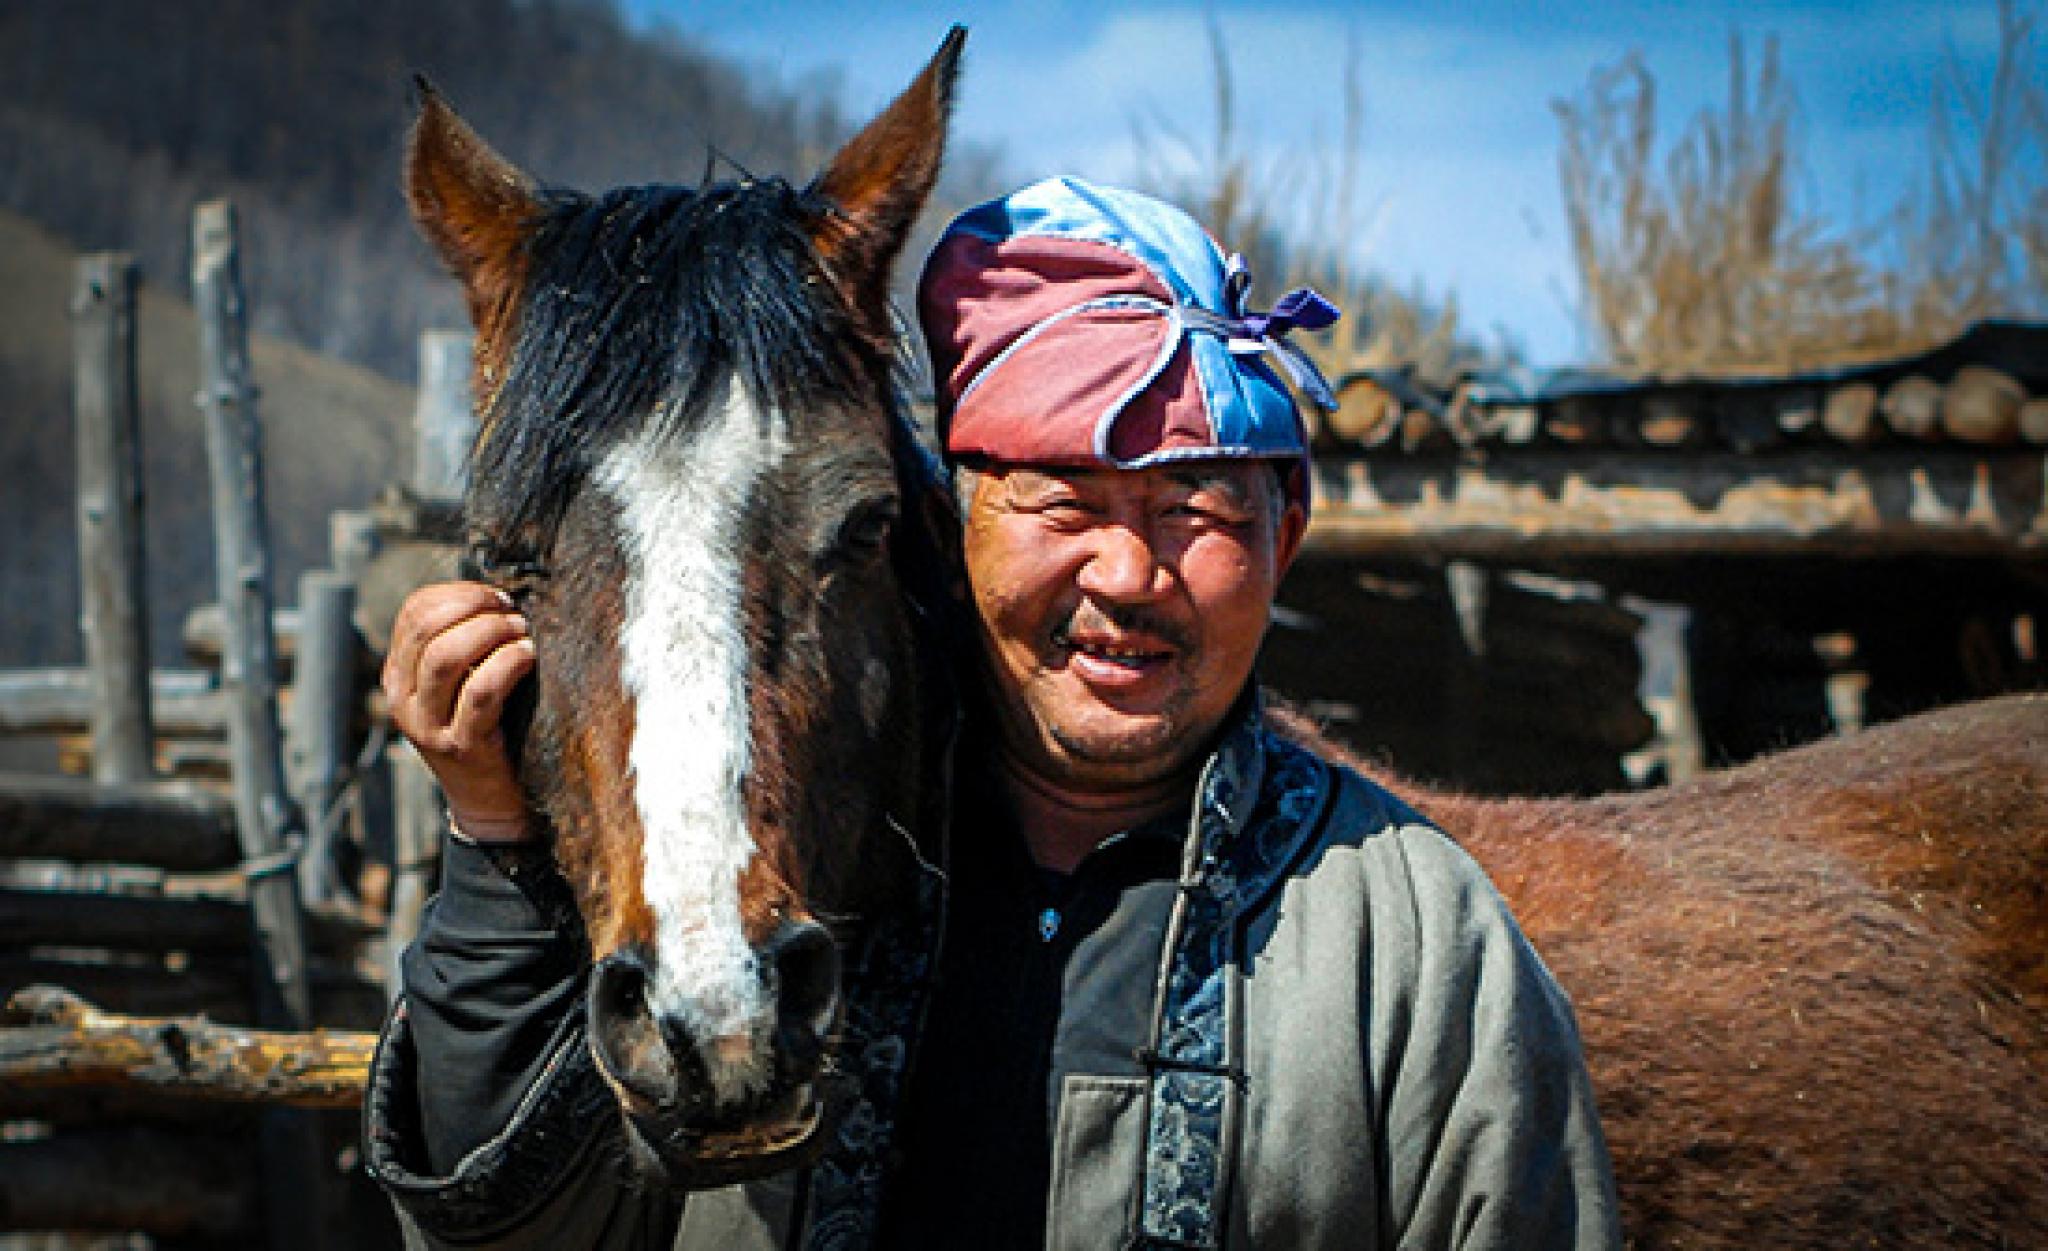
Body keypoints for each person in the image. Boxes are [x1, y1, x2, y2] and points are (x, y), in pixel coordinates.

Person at [366, 176, 1620, 1249]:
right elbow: (509, 1235)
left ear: (1284, 536)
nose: (1129, 576)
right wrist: (494, 847)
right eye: (1064, 503)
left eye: (1200, 511)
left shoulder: (1412, 939)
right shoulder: (760, 912)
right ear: (956, 522)